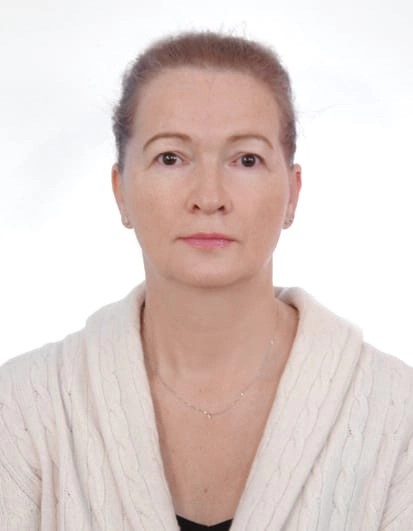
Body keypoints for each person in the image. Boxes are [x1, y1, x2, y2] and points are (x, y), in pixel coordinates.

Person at [0, 31, 412, 531]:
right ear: (120, 191)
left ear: (292, 193)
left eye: (247, 160)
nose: (210, 197)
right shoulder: (22, 408)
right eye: (171, 157)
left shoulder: (397, 414)